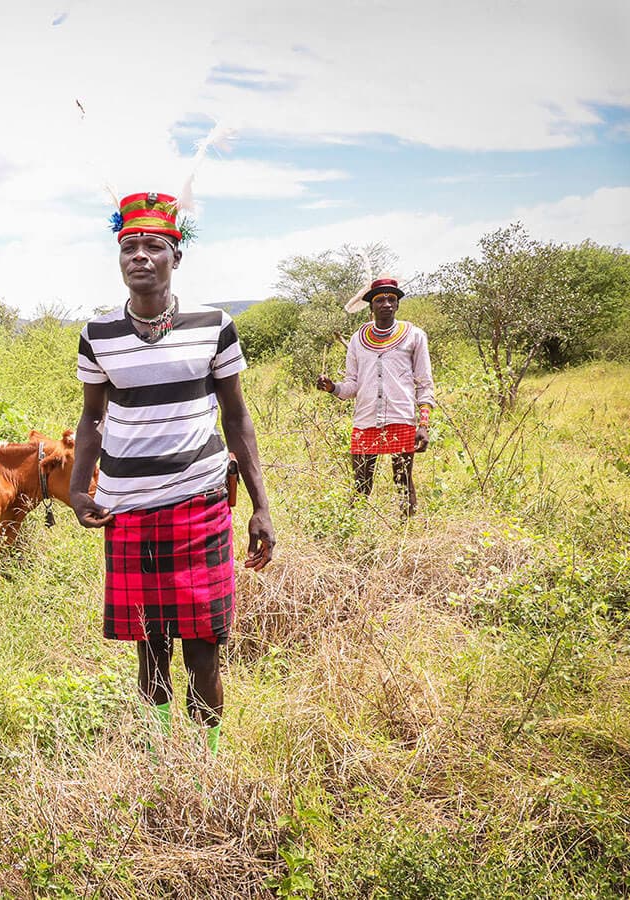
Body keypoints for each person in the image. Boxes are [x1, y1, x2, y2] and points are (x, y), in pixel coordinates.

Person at [69, 191, 275, 758]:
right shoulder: (98, 334)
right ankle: (165, 757)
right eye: (129, 246)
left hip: (200, 501)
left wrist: (259, 504)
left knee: (205, 641)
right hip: (126, 506)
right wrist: (75, 488)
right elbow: (91, 418)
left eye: (153, 246)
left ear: (175, 256)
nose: (140, 255)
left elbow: (236, 416)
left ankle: (205, 760)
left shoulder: (214, 325)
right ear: (119, 258)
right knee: (149, 642)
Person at [315, 276, 435, 516]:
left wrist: (423, 425)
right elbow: (352, 385)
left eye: (392, 299)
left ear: (398, 304)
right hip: (366, 419)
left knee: (402, 480)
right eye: (380, 299)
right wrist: (332, 387)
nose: (387, 304)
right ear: (371, 305)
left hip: (401, 418)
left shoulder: (414, 335)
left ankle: (406, 533)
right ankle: (353, 532)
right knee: (361, 484)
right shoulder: (358, 339)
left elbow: (424, 384)